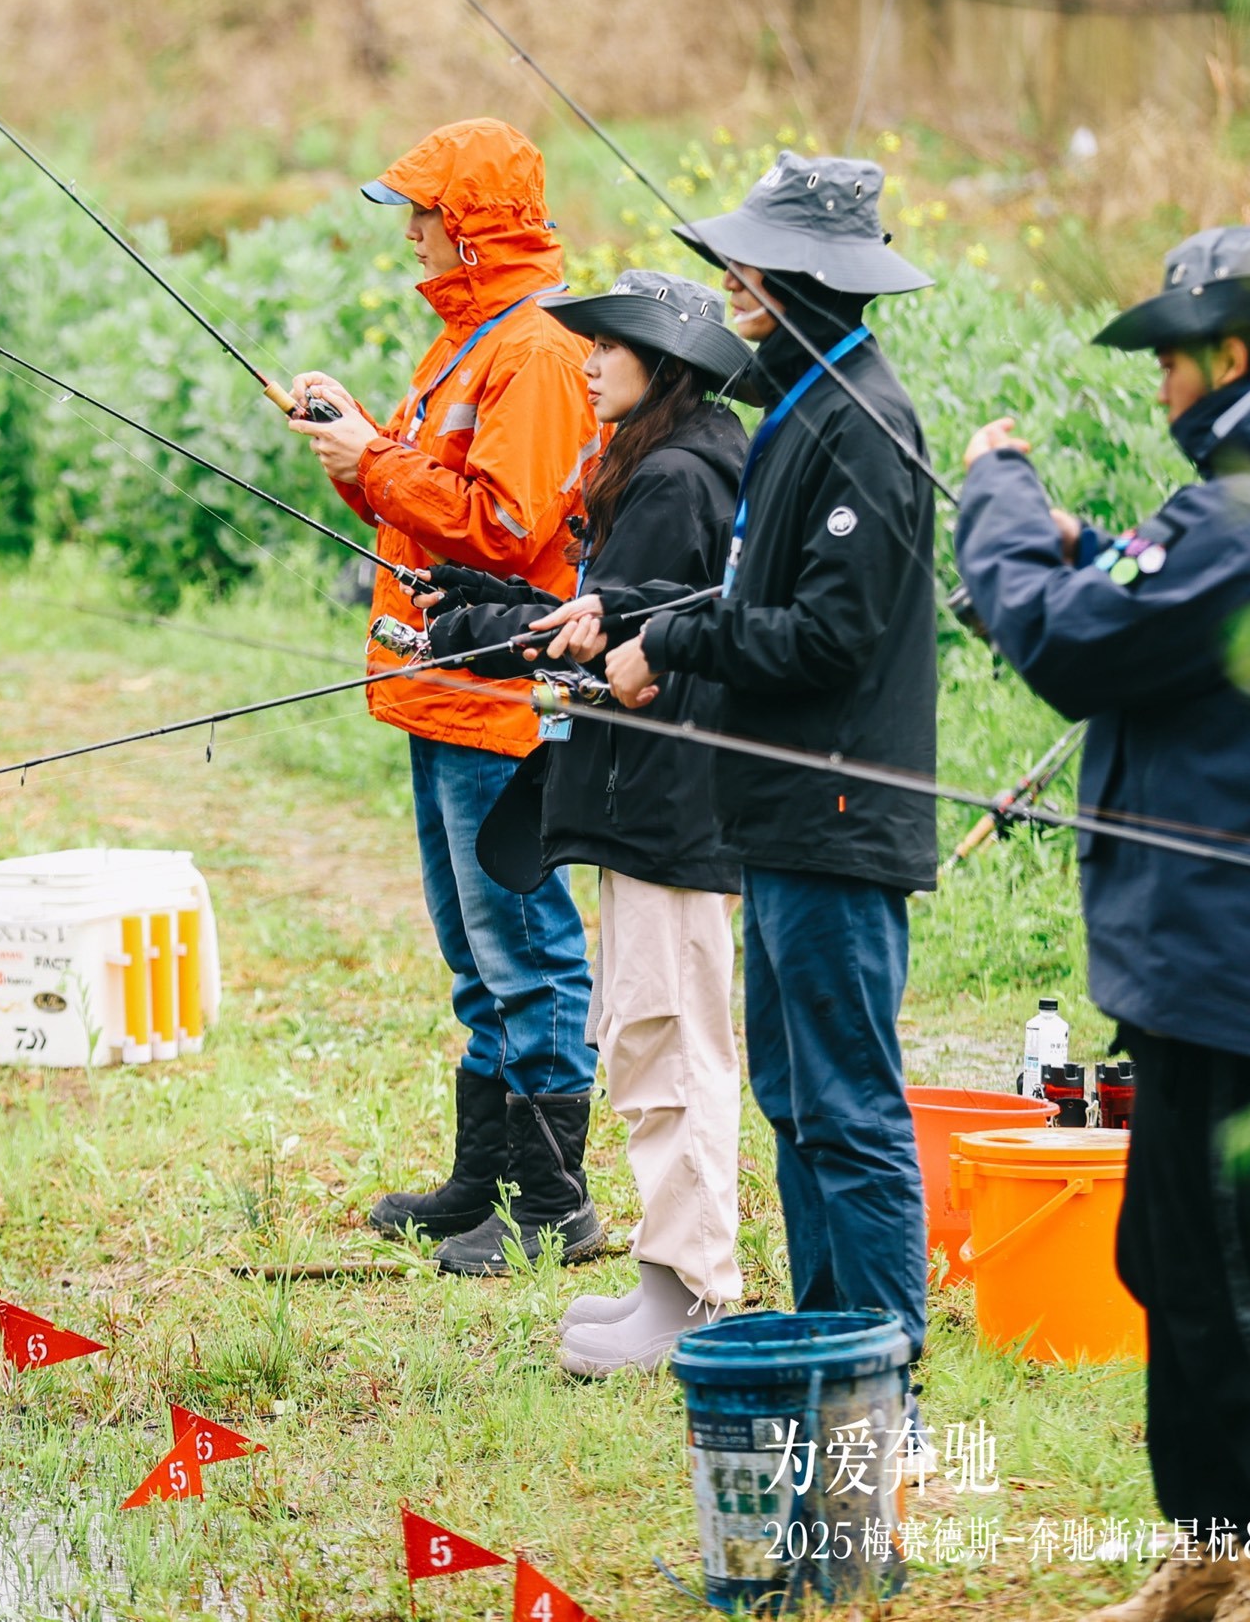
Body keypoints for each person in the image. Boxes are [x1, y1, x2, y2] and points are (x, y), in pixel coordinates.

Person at [950, 224, 1250, 1622]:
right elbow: (1165, 619)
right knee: (1168, 1259)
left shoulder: (1249, 513)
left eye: (1168, 361)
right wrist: (1088, 554)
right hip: (1224, 966)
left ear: (1225, 356)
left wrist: (996, 494)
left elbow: (1064, 645)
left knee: (1248, 1287)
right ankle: (1217, 1552)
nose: (1159, 390)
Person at [545, 152, 940, 1346]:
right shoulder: (803, 411)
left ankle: (879, 1368)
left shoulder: (860, 422)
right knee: (796, 1103)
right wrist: (662, 622)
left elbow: (827, 632)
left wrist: (676, 634)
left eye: (750, 277)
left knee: (845, 1107)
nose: (734, 297)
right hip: (776, 818)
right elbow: (756, 599)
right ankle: (828, 1354)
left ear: (812, 281)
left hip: (834, 821)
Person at [421, 269, 752, 1368]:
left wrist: (504, 632)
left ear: (663, 364)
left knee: (672, 1041)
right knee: (647, 1031)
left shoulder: (671, 481)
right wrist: (483, 613)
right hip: (651, 804)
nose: (588, 360)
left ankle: (695, 1293)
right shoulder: (680, 466)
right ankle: (665, 1273)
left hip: (669, 807)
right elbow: (607, 620)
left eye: (607, 346)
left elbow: (630, 659)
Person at [286, 119, 599, 1272]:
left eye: (421, 211)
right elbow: (450, 482)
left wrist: (371, 462)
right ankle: (482, 1178)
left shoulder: (537, 350)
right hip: (441, 688)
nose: (409, 230)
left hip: (504, 696)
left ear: (468, 223)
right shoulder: (470, 340)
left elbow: (509, 527)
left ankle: (552, 1202)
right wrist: (362, 431)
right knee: (473, 951)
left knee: (524, 943)